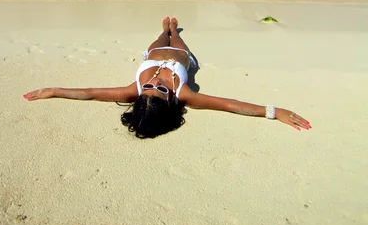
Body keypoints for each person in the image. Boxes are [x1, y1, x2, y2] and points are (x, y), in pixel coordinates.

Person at [23, 17, 311, 138]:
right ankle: (173, 29)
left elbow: (89, 92)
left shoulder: (131, 90)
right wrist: (273, 112)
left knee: (161, 38)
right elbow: (230, 105)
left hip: (153, 52)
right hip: (183, 57)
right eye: (157, 89)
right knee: (174, 40)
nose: (154, 83)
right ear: (170, 99)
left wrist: (54, 90)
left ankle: (168, 27)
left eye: (148, 87)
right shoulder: (185, 95)